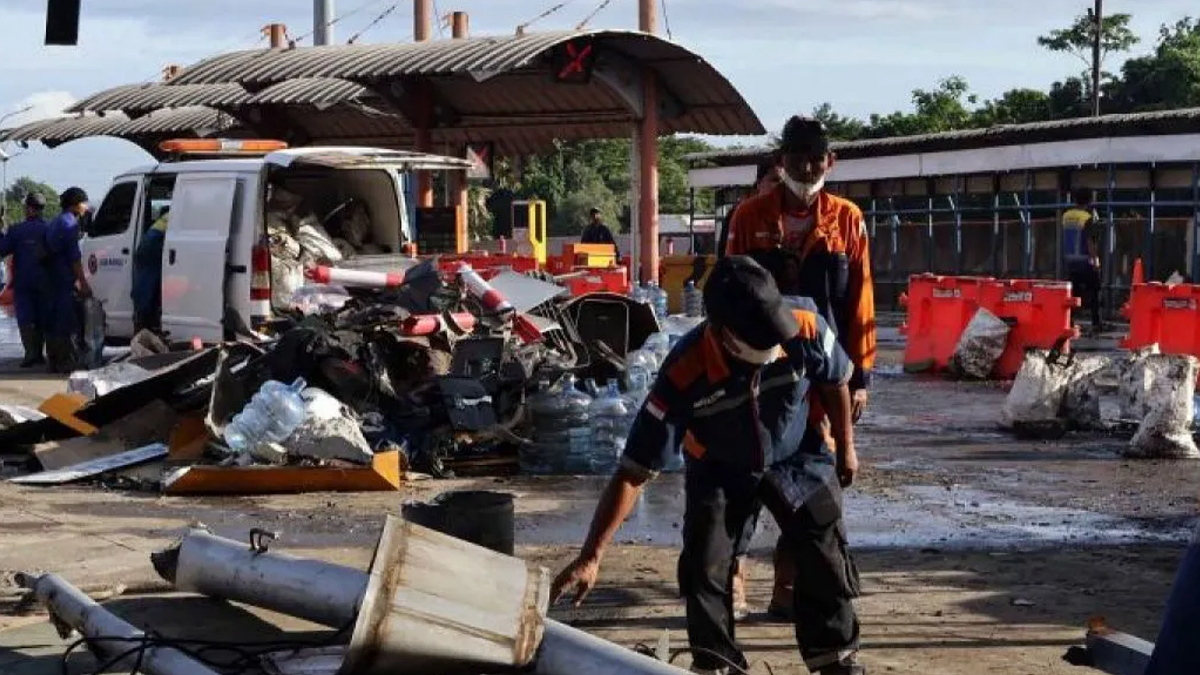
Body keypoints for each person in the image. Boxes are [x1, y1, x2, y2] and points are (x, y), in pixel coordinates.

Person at [552, 255, 864, 675]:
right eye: (760, 344)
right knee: (706, 567)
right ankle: (718, 665)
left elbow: (836, 380)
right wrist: (592, 554)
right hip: (719, 465)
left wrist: (846, 446)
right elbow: (634, 470)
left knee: (824, 550)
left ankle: (836, 662)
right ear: (724, 335)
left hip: (796, 452)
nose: (773, 350)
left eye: (776, 337)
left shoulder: (804, 322)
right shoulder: (684, 371)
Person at [725, 115, 876, 621]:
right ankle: (735, 581)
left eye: (816, 158)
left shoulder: (848, 219)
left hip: (822, 375)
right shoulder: (748, 217)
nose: (807, 167)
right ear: (780, 160)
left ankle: (786, 589)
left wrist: (859, 378)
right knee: (745, 475)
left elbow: (860, 303)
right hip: (759, 372)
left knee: (810, 481)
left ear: (830, 161)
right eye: (797, 157)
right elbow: (726, 294)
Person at [44, 187, 93, 373]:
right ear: (75, 204)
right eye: (83, 203)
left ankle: (53, 361)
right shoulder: (70, 224)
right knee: (64, 321)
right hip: (63, 279)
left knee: (53, 319)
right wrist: (84, 283)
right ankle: (65, 361)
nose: (85, 207)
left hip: (51, 278)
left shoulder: (56, 221)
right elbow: (74, 258)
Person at [0, 193, 51, 367]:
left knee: (25, 319)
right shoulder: (50, 229)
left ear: (29, 208)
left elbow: (2, 249)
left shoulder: (16, 230)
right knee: (42, 318)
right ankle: (40, 354)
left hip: (24, 283)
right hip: (46, 282)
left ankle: (31, 354)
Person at [716, 161, 782, 260]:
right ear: (759, 184)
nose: (780, 186)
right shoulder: (739, 214)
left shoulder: (788, 214)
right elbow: (724, 258)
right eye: (775, 180)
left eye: (784, 183)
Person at [1062, 189, 1103, 335]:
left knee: (1073, 294)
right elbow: (1089, 241)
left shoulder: (1066, 216)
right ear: (1089, 202)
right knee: (1094, 291)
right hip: (1086, 261)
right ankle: (1096, 323)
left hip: (1070, 261)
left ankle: (1069, 321)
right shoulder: (1087, 217)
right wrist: (1095, 260)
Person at [132, 206, 169, 333]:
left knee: (149, 284)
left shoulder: (171, 214)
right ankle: (144, 324)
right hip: (152, 244)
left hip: (151, 242)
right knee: (147, 286)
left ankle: (146, 321)